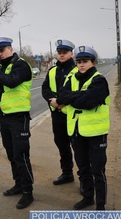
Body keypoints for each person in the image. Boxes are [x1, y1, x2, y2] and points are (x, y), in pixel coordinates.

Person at [55, 46, 110, 210]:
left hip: (95, 132)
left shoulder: (99, 80)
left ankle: (101, 206)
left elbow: (88, 102)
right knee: (83, 168)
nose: (81, 64)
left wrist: (72, 99)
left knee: (98, 170)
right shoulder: (72, 78)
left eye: (85, 61)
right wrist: (76, 97)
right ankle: (88, 197)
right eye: (78, 61)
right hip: (77, 132)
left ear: (93, 62)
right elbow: (61, 96)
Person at [0, 37, 34, 209]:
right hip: (4, 117)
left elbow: (11, 82)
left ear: (11, 49)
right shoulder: (0, 68)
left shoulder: (22, 65)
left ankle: (28, 192)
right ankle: (18, 184)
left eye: (2, 50)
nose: (0, 54)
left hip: (19, 118)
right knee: (12, 155)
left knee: (21, 156)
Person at [41, 39, 77, 185]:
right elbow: (45, 89)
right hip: (56, 114)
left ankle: (85, 179)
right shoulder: (52, 70)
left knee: (78, 148)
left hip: (72, 115)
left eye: (65, 52)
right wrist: (53, 101)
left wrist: (61, 102)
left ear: (71, 53)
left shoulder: (76, 70)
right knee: (62, 145)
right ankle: (67, 173)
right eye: (59, 52)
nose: (61, 55)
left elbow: (76, 93)